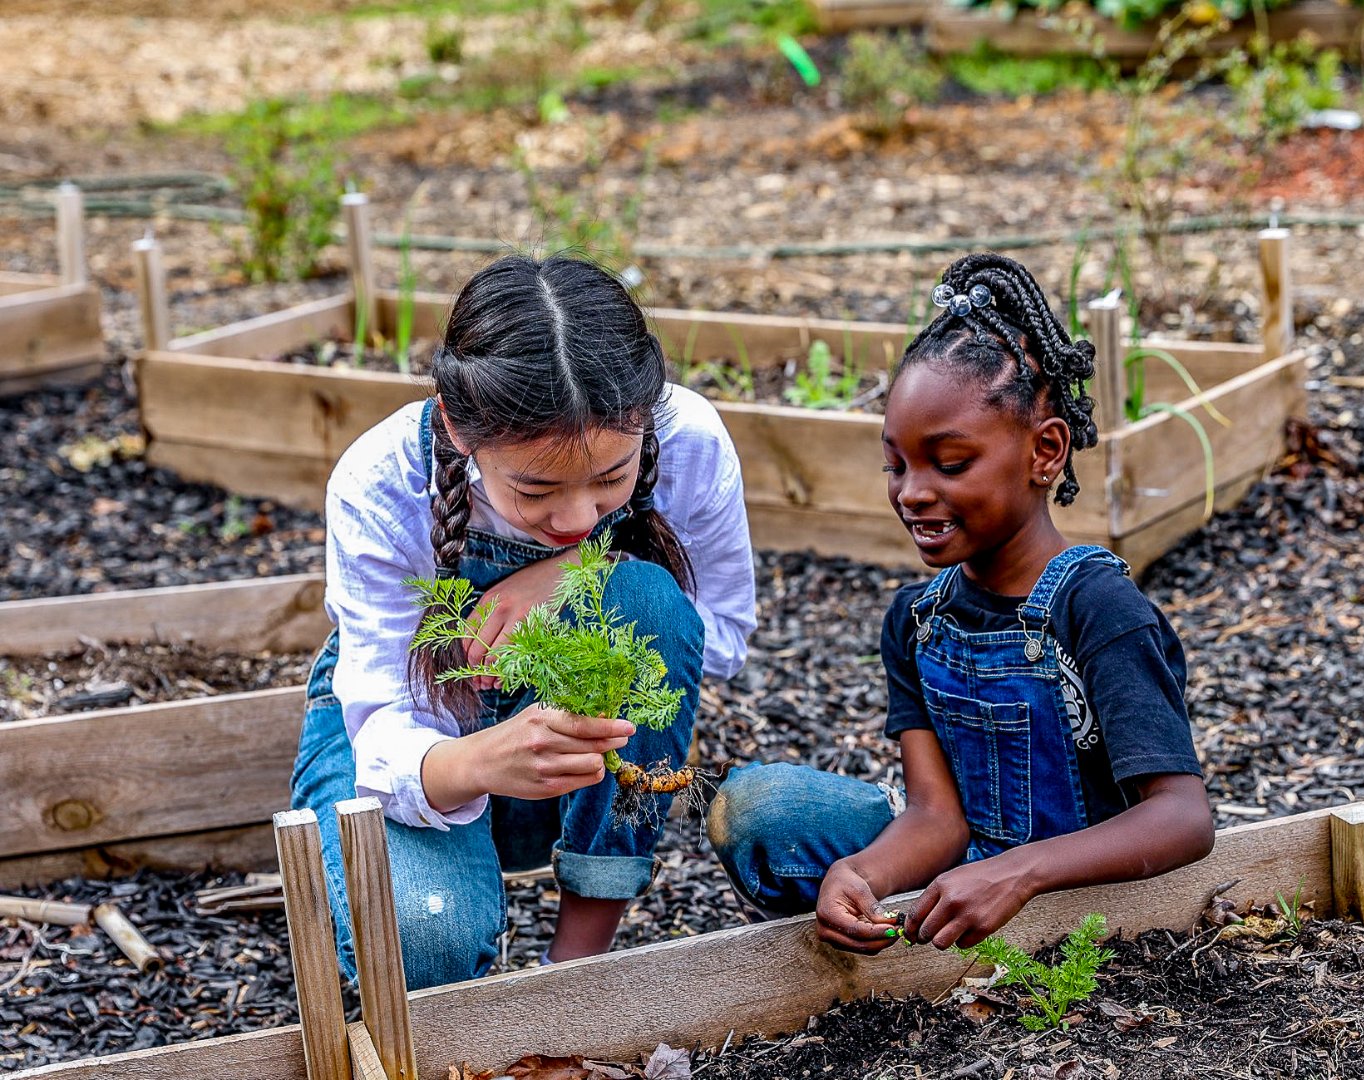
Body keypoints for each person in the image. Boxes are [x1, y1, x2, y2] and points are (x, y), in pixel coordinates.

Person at [708, 253, 1214, 953]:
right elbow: (936, 817)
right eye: (895, 464)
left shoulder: (1097, 608)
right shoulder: (916, 620)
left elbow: (1182, 819)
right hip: (968, 874)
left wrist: (1019, 873)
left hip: (1087, 892)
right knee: (762, 807)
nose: (912, 491)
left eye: (949, 464)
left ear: (1044, 452)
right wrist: (859, 874)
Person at [292, 252, 757, 989]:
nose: (574, 518)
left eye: (610, 479)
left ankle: (573, 970)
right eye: (534, 488)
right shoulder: (382, 479)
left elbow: (717, 635)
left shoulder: (690, 436)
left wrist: (581, 572)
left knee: (646, 602)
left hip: (573, 770)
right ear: (458, 426)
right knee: (423, 942)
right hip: (414, 746)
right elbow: (380, 724)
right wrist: (478, 760)